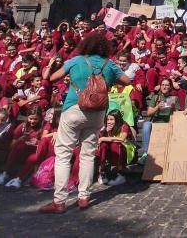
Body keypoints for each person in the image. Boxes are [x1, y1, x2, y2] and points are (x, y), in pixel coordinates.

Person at [39, 33, 131, 214]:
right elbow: (127, 80)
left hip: (74, 108)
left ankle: (59, 201)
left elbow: (52, 78)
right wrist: (109, 79)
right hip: (97, 113)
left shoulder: (76, 60)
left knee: (64, 154)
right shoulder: (109, 64)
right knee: (88, 154)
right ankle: (84, 197)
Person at [137, 77, 180, 165]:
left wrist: (173, 108)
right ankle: (146, 153)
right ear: (160, 86)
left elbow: (178, 114)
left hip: (168, 122)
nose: (164, 87)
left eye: (167, 85)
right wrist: (157, 107)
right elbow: (149, 113)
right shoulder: (156, 97)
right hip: (156, 123)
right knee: (146, 125)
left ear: (170, 87)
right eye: (163, 85)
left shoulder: (174, 98)